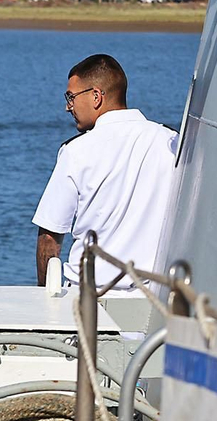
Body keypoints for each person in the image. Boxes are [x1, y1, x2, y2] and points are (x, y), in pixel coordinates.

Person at [33, 54, 179, 288]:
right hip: (152, 295)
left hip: (88, 295)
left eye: (71, 97)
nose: (67, 107)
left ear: (96, 96)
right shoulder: (170, 141)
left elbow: (50, 237)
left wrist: (43, 295)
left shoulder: (76, 151)